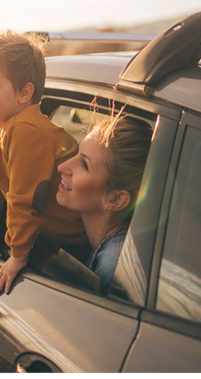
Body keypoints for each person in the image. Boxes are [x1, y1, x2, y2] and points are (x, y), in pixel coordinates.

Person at [0, 30, 86, 295]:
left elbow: (24, 198)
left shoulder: (25, 131)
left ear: (24, 93)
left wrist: (18, 255)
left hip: (75, 241)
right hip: (52, 238)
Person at [56, 116, 152, 294]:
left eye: (84, 164)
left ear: (115, 200)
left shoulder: (113, 269)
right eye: (77, 153)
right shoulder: (116, 250)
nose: (62, 167)